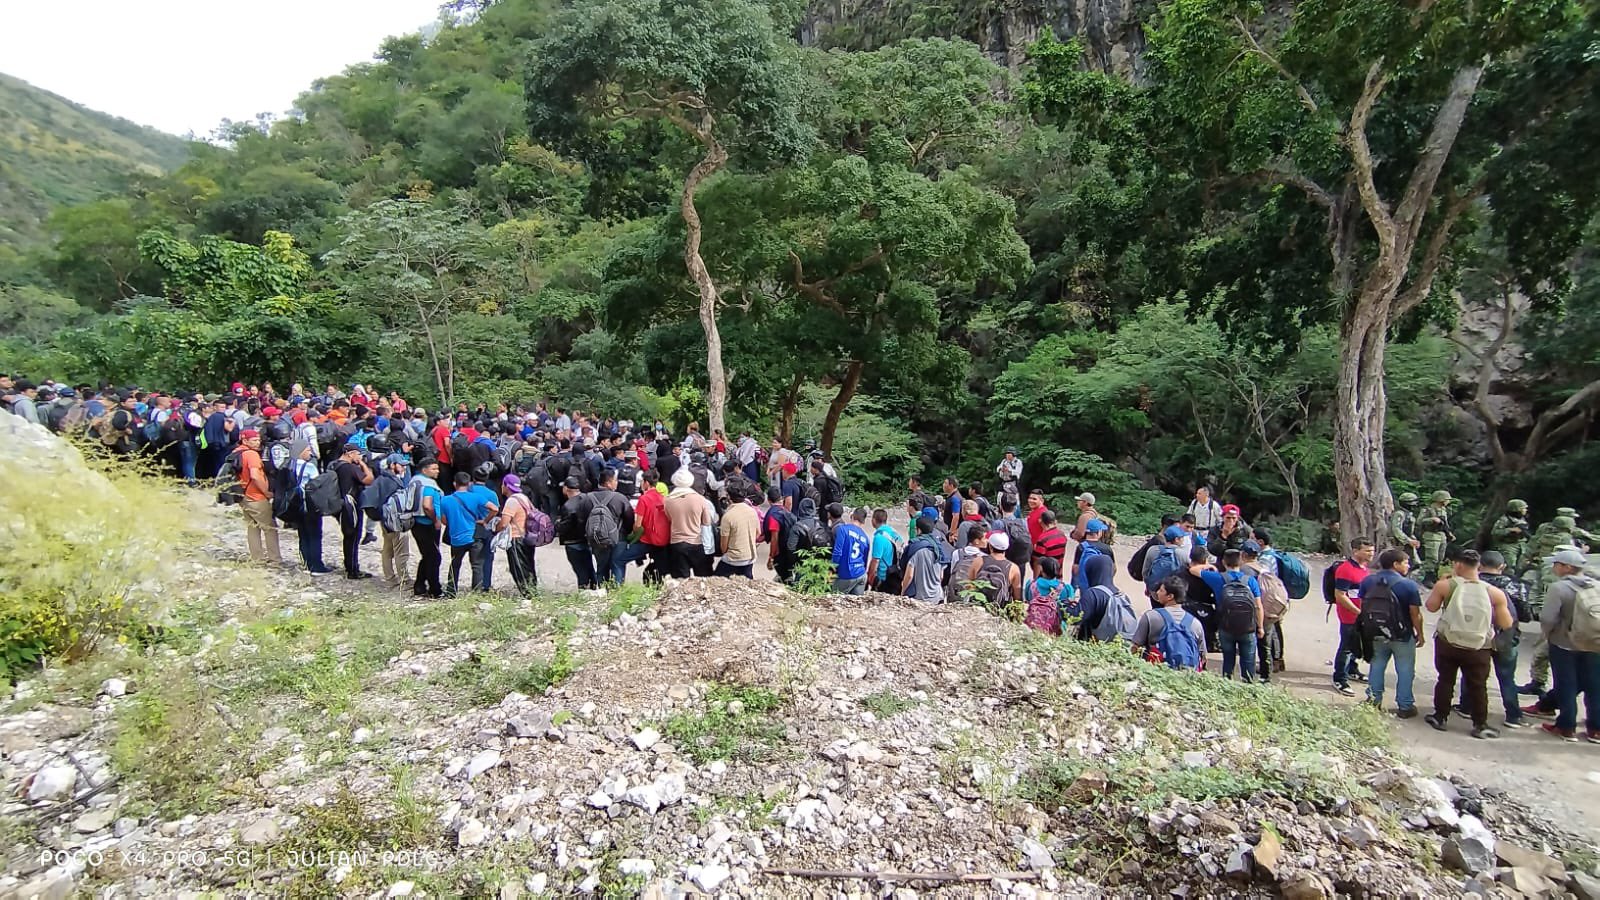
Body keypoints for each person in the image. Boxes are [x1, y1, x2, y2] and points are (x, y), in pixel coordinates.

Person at [1424, 549, 1514, 738]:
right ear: (1479, 567)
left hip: (1448, 643)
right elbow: (1506, 623)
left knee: (1445, 680)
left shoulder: (1445, 586)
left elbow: (1431, 607)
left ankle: (1440, 717)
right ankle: (1480, 724)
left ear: (1458, 565)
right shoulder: (1495, 593)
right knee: (1478, 685)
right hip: (1479, 647)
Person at [1525, 548, 1600, 742]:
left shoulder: (1559, 588)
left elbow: (1548, 618)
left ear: (1567, 567)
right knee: (1594, 685)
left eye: (1556, 564)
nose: (1554, 568)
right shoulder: (1596, 585)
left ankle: (1566, 727)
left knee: (1566, 684)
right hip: (1594, 643)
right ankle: (1596, 729)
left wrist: (1547, 635)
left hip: (1564, 644)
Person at [1359, 549, 1425, 718]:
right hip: (1402, 635)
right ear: (1396, 564)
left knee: (1377, 665)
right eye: (1405, 562)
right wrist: (1420, 634)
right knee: (1405, 669)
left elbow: (1364, 606)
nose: (1408, 565)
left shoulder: (1368, 581)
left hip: (1376, 632)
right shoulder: (1408, 585)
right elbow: (1414, 614)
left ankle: (1373, 701)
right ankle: (1405, 706)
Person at [1464, 550, 1526, 729]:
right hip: (1505, 635)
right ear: (1502, 567)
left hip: (1476, 634)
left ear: (1480, 565)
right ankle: (1513, 715)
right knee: (1506, 676)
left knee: (1473, 674)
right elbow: (1526, 613)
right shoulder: (1513, 585)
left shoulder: (1469, 582)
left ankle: (1467, 706)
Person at [1201, 549, 1263, 681]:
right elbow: (1258, 606)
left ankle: (1227, 683)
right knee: (1248, 660)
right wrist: (1261, 627)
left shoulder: (1217, 578)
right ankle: (1248, 687)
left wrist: (1209, 566)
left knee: (1228, 660)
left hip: (1226, 626)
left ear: (1223, 562)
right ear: (1240, 562)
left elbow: (1193, 570)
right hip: (1248, 627)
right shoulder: (1250, 581)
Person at [439, 472, 498, 596]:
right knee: (477, 565)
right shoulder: (476, 497)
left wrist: (453, 522)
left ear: (454, 484)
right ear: (469, 483)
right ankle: (476, 592)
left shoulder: (445, 500)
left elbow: (443, 520)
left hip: (456, 537)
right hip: (474, 536)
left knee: (455, 565)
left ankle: (451, 592)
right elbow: (495, 509)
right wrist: (485, 521)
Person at [1131, 576, 1205, 671]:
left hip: (1156, 673)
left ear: (1170, 596)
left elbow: (1135, 647)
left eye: (1161, 590)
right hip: (1186, 677)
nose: (1157, 592)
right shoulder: (1196, 624)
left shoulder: (1151, 617)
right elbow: (1203, 656)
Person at [1330, 539, 1374, 696]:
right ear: (1356, 551)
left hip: (1360, 614)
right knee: (1347, 646)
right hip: (1350, 615)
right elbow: (1340, 595)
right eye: (1367, 551)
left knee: (1357, 644)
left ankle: (1352, 669)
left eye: (1372, 550)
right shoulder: (1346, 570)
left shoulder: (1363, 568)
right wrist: (1357, 611)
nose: (1371, 554)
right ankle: (1339, 678)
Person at [234, 429, 282, 567]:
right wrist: (266, 492)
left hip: (243, 495)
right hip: (256, 496)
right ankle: (275, 560)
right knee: (270, 528)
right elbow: (255, 475)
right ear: (245, 440)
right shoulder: (252, 455)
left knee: (253, 527)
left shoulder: (236, 452)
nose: (258, 442)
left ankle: (257, 559)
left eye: (258, 439)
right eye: (254, 440)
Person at [327, 442, 376, 580]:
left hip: (339, 504)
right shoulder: (349, 468)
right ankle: (353, 569)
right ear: (350, 453)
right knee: (354, 536)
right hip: (351, 504)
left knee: (347, 536)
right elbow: (369, 479)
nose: (360, 456)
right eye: (358, 454)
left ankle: (349, 565)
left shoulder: (333, 464)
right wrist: (363, 465)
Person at [288, 439, 333, 576]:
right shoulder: (309, 467)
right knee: (314, 535)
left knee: (303, 535)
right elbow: (317, 485)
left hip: (296, 505)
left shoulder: (289, 465)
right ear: (300, 451)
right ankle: (316, 565)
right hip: (310, 505)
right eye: (307, 450)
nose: (310, 453)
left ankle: (306, 562)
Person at [588, 468, 636, 584]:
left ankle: (601, 593)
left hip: (597, 538)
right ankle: (617, 593)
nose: (617, 482)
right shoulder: (620, 498)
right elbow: (629, 518)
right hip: (619, 537)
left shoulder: (587, 498)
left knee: (601, 567)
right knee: (617, 566)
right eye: (615, 480)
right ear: (608, 483)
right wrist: (627, 533)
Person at [372, 453, 413, 586]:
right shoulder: (392, 481)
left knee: (387, 548)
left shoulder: (381, 479)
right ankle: (404, 579)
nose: (404, 469)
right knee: (401, 551)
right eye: (401, 465)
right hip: (396, 521)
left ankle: (390, 578)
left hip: (385, 520)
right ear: (392, 465)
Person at [665, 468, 710, 579]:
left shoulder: (668, 500)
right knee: (701, 578)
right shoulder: (700, 499)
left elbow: (669, 519)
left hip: (677, 543)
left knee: (681, 580)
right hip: (696, 542)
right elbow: (706, 522)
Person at [410, 459, 446, 598]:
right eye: (434, 469)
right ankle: (435, 589)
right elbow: (427, 505)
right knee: (434, 557)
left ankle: (419, 585)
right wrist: (435, 520)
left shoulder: (415, 480)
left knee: (427, 555)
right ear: (424, 470)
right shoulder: (428, 485)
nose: (437, 471)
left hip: (416, 523)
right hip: (427, 524)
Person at [557, 476, 599, 589]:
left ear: (566, 489)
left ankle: (584, 591)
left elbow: (565, 527)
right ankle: (595, 589)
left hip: (573, 542)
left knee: (580, 570)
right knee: (590, 567)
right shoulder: (588, 499)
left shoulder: (568, 506)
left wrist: (557, 525)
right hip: (587, 540)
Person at [498, 473, 537, 594]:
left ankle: (527, 594)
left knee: (518, 567)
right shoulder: (523, 497)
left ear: (506, 486)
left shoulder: (511, 501)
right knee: (528, 565)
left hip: (516, 538)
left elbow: (504, 523)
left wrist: (495, 528)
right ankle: (532, 589)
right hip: (528, 536)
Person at [899, 514, 949, 603]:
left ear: (919, 530)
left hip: (920, 598)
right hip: (937, 597)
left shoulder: (915, 548)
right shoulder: (939, 547)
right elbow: (941, 576)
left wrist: (903, 592)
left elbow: (909, 576)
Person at [716, 484, 760, 578]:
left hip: (733, 559)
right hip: (750, 557)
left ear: (729, 498)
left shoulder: (728, 516)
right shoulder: (752, 511)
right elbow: (758, 533)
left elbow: (724, 547)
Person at [831, 507, 872, 595]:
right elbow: (865, 559)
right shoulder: (866, 538)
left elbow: (837, 552)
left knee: (834, 598)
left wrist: (832, 569)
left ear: (852, 516)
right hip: (861, 574)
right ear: (864, 522)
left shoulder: (843, 529)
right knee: (856, 604)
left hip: (846, 574)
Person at [1417, 490, 1455, 583]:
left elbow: (1445, 523)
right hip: (1431, 534)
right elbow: (1419, 521)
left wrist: (1449, 533)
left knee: (1440, 558)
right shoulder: (1428, 509)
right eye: (1446, 499)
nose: (1448, 501)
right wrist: (1431, 519)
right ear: (1440, 499)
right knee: (1432, 557)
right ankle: (1427, 578)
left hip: (1441, 535)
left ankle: (1435, 576)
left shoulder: (1443, 510)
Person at [866, 508, 904, 592]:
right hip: (895, 574)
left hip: (883, 578)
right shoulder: (894, 533)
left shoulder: (879, 537)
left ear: (873, 520)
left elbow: (875, 560)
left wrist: (870, 578)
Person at [1489, 499, 1531, 574]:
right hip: (1508, 546)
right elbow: (1495, 532)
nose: (1525, 510)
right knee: (1509, 567)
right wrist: (1510, 530)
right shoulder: (1504, 519)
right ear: (1517, 509)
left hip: (1521, 544)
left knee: (1521, 566)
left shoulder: (1521, 519)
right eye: (1523, 508)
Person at [1390, 492, 1423, 569]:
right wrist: (1408, 541)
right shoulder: (1399, 514)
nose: (1414, 506)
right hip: (1400, 544)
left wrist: (1414, 540)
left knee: (1415, 564)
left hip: (1408, 544)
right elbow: (1396, 529)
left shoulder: (1409, 515)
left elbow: (1410, 531)